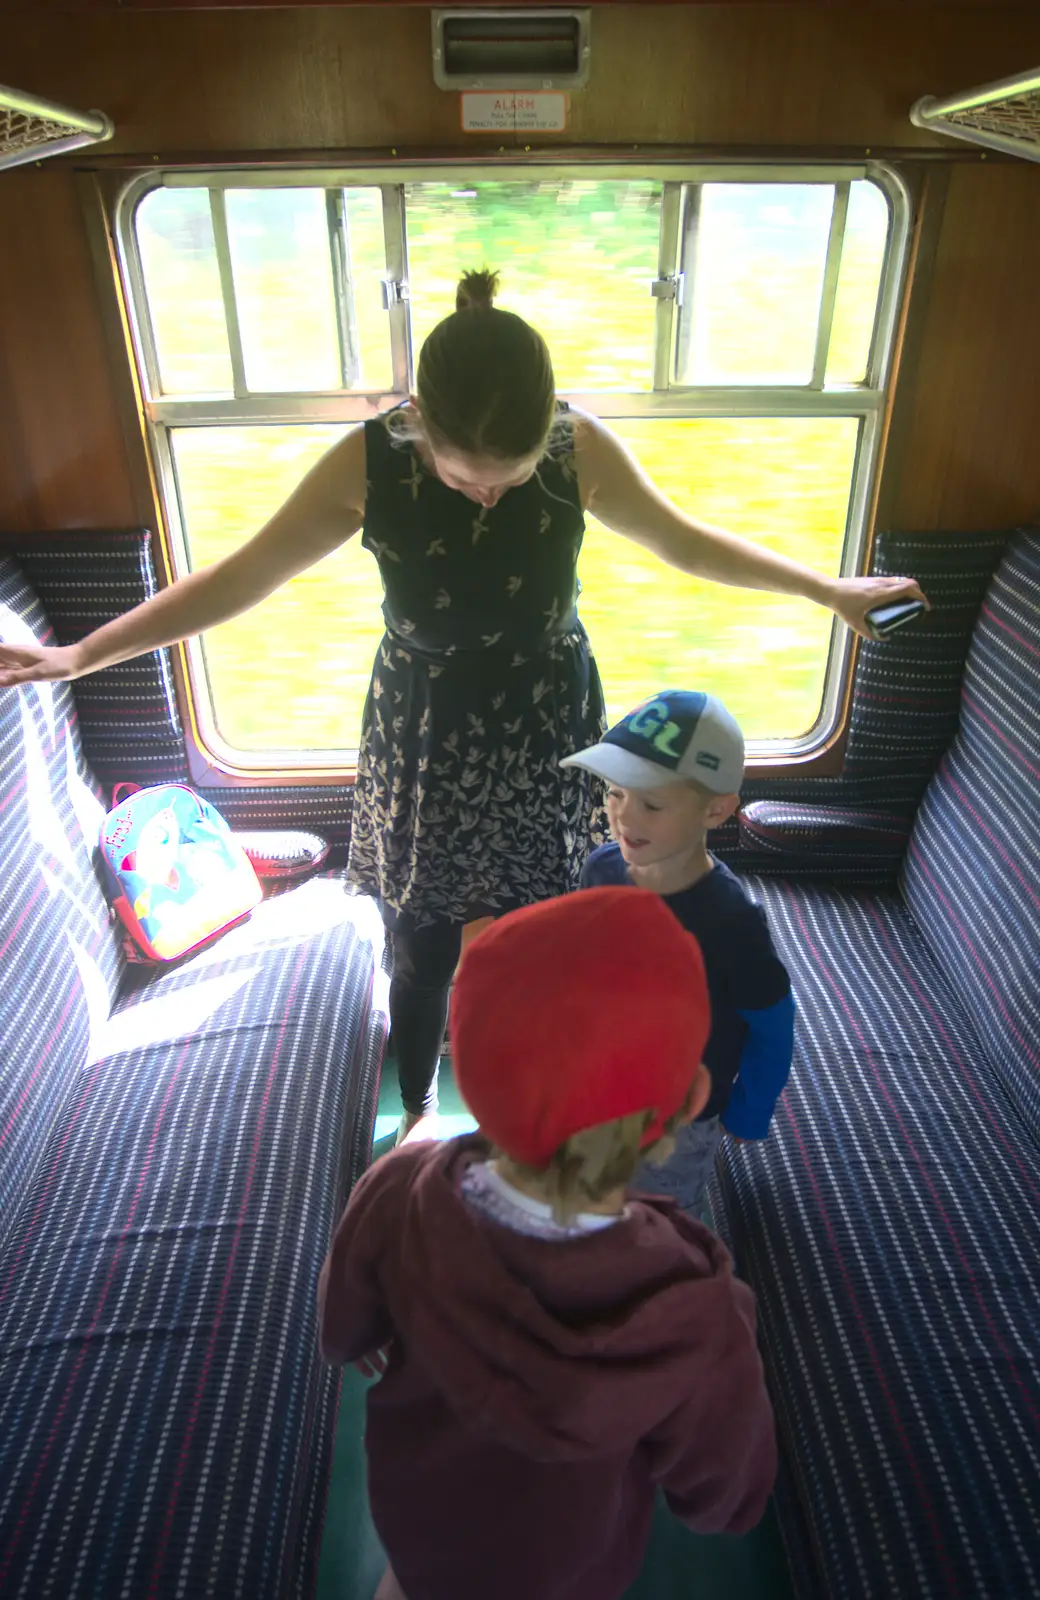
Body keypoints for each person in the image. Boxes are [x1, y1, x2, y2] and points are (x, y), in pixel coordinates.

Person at [0, 266, 925, 1141]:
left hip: (546, 720)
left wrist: (825, 591)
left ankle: (541, 1098)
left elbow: (687, 543)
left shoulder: (578, 447)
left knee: (552, 927)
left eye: (510, 476)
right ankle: (410, 1110)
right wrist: (80, 653)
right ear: (415, 424)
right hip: (425, 730)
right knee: (422, 941)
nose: (486, 492)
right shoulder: (369, 462)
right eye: (461, 475)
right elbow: (239, 580)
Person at [317, 886, 778, 1600]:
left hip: (418, 1519)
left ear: (459, 1065)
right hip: (568, 1565)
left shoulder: (400, 1187)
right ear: (688, 1102)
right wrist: (722, 1499)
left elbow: (344, 1324)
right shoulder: (695, 1310)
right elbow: (724, 1492)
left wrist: (361, 1331)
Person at [564, 689, 794, 1216]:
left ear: (715, 810)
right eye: (615, 794)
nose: (624, 816)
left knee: (659, 1217)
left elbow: (773, 1025)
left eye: (651, 803)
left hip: (678, 1114)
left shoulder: (731, 922)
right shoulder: (600, 869)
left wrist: (750, 1111)